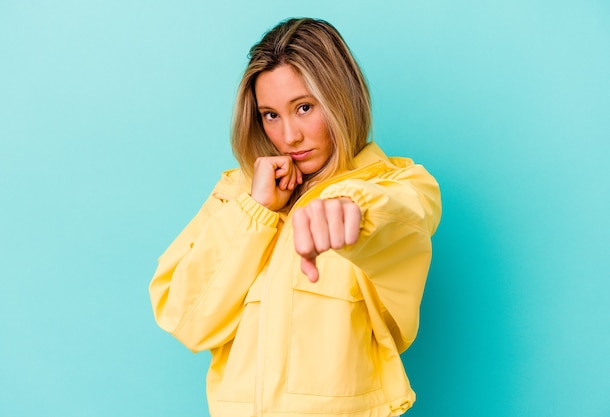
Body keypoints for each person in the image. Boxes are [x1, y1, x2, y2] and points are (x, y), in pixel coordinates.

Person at [149, 17, 442, 417]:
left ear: (342, 98)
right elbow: (185, 318)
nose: (289, 136)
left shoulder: (399, 185)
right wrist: (256, 212)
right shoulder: (239, 192)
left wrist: (350, 211)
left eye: (304, 107)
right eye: (270, 115)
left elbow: (400, 219)